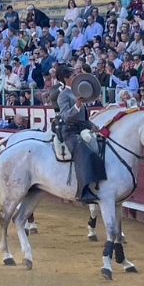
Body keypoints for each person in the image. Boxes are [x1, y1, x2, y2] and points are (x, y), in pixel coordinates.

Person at [52, 63, 102, 203]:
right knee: (83, 151)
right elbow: (66, 116)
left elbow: (83, 118)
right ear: (67, 80)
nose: (77, 77)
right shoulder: (63, 95)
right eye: (74, 76)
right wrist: (77, 104)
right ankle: (83, 191)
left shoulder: (78, 93)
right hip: (69, 130)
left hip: (81, 128)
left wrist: (94, 126)